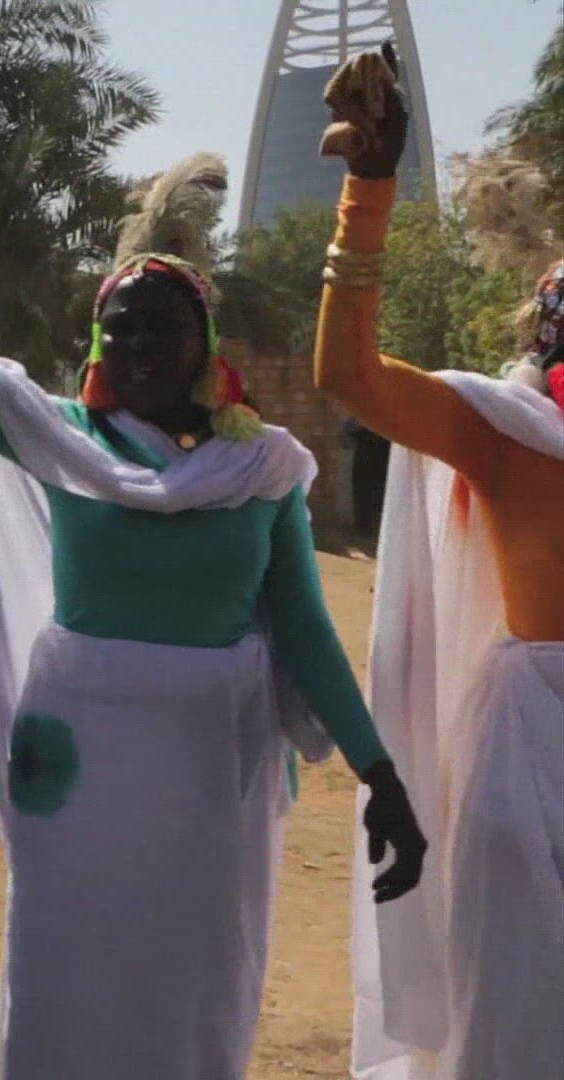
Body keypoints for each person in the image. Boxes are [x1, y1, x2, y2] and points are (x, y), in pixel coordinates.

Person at [0, 100, 427, 1079]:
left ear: (206, 340)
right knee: (68, 974)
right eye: (120, 329)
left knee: (190, 981)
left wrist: (381, 777)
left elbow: (305, 633)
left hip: (206, 768)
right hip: (75, 765)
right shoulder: (60, 438)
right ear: (97, 345)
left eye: (163, 326)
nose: (139, 345)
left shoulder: (262, 467)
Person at [312, 47, 564, 1080]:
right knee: (515, 1030)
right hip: (531, 762)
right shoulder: (513, 434)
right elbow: (349, 375)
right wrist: (369, 190)